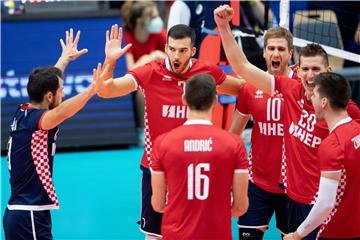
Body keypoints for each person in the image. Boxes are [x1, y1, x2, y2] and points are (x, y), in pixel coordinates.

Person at [214, 5, 360, 240]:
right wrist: (224, 27)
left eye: (316, 69)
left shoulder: (342, 107)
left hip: (321, 202)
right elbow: (242, 67)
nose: (311, 75)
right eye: (306, 69)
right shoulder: (290, 90)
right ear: (297, 70)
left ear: (328, 71)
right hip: (290, 196)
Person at [94, 24, 245, 239]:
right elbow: (107, 91)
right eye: (172, 49)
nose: (176, 55)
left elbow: (243, 89)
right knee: (154, 235)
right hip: (157, 168)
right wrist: (110, 61)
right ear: (165, 47)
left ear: (193, 51)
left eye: (182, 50)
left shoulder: (206, 74)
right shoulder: (150, 71)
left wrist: (276, 82)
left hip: (196, 167)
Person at [2, 29, 96, 239]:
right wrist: (92, 89)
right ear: (49, 95)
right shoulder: (39, 121)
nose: (64, 93)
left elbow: (48, 87)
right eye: (61, 90)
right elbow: (62, 111)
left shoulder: (24, 111)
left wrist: (63, 60)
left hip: (22, 214)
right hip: (29, 215)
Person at [150, 74, 249, 239]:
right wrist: (215, 215)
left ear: (184, 99)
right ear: (215, 101)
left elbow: (158, 204)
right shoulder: (234, 144)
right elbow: (240, 206)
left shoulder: (163, 143)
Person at [229, 26, 296, 239]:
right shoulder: (249, 89)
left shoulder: (302, 88)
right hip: (257, 183)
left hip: (293, 188)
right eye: (271, 48)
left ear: (290, 53)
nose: (276, 54)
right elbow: (233, 136)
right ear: (264, 52)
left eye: (281, 49)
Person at [284, 72, 360, 240]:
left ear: (324, 102)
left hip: (335, 231)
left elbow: (326, 203)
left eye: (315, 95)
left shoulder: (332, 145)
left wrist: (297, 234)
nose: (311, 99)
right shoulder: (357, 130)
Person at [121, 1, 167, 142]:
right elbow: (131, 69)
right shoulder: (128, 36)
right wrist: (150, 57)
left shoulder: (159, 33)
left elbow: (175, 58)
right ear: (141, 20)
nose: (157, 20)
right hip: (140, 80)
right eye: (153, 17)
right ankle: (143, 132)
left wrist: (162, 56)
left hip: (162, 76)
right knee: (143, 91)